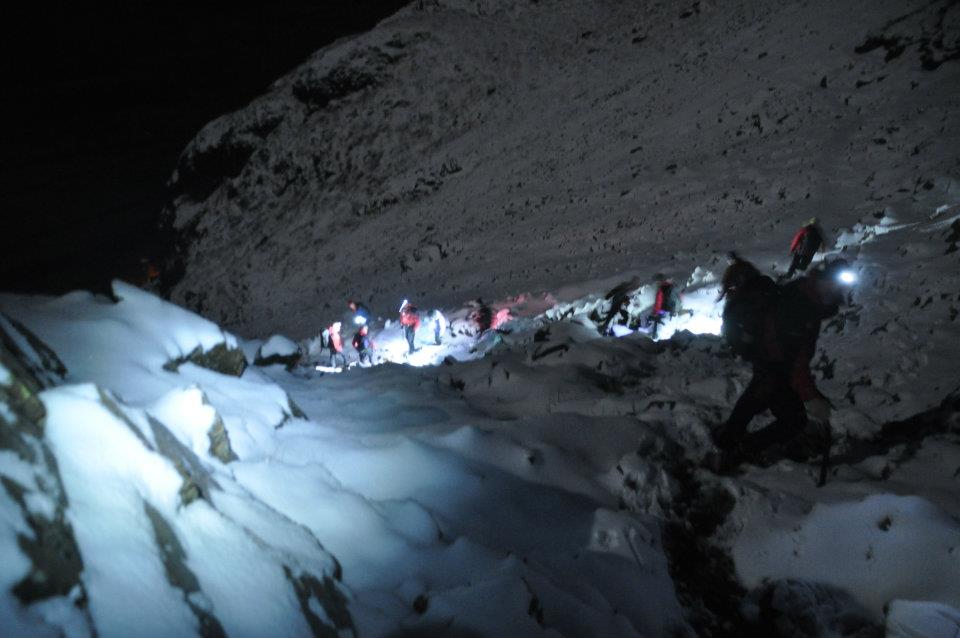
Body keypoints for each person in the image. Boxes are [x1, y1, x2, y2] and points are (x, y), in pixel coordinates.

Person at [713, 259, 854, 473]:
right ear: (825, 282)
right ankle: (736, 449)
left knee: (756, 403)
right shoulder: (802, 304)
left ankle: (730, 444)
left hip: (770, 364)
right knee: (791, 418)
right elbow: (795, 360)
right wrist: (811, 396)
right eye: (835, 286)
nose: (838, 291)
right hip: (774, 366)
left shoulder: (805, 296)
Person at [649, 273, 684, 338]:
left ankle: (655, 334)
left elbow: (658, 302)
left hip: (665, 310)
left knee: (654, 318)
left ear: (659, 281)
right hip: (674, 309)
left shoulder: (662, 289)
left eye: (657, 282)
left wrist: (656, 312)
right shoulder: (673, 287)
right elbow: (681, 296)